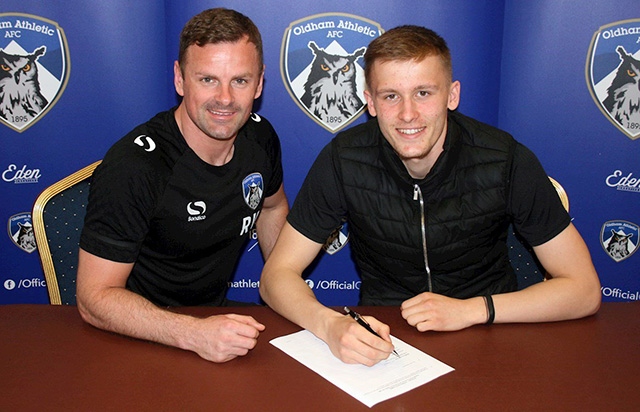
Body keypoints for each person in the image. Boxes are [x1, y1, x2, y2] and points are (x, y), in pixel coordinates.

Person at [259, 25, 601, 366]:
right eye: (391, 95)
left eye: (423, 93)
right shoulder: (343, 160)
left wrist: (471, 310)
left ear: (452, 95)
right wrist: (330, 325)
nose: (408, 114)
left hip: (490, 327)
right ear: (370, 102)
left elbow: (583, 289)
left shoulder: (505, 159)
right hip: (386, 335)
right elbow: (276, 276)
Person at [77, 8, 289, 363]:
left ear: (260, 82)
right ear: (180, 79)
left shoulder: (260, 137)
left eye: (240, 80)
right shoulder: (135, 166)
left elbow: (273, 207)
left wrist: (282, 284)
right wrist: (191, 333)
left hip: (216, 320)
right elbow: (94, 298)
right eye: (207, 79)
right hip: (139, 333)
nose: (224, 98)